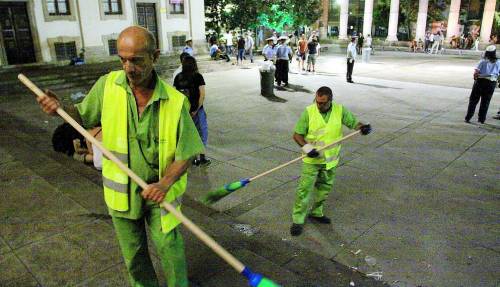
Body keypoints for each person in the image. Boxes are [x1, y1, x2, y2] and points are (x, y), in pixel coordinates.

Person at [35, 26, 204, 287]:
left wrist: (165, 183)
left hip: (160, 193)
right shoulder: (108, 86)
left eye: (136, 60)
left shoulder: (174, 101)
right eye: (122, 59)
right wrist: (60, 109)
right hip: (121, 193)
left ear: (155, 56)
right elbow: (80, 115)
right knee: (134, 255)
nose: (128, 68)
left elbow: (187, 151)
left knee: (170, 248)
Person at [290, 86, 372, 236]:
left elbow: (354, 123)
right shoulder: (309, 111)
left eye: (323, 103)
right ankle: (298, 219)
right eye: (317, 101)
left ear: (330, 101)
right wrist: (307, 148)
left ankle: (317, 212)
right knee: (304, 190)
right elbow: (297, 135)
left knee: (324, 189)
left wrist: (363, 127)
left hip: (330, 161)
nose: (319, 105)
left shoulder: (340, 110)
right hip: (312, 160)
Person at [173, 55, 210, 166]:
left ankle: (192, 159)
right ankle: (202, 158)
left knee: (188, 134)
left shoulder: (178, 77)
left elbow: (175, 95)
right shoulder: (198, 77)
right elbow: (202, 95)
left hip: (184, 112)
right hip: (197, 111)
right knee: (201, 133)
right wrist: (196, 109)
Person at [465, 45, 500, 124]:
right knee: (486, 101)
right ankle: (481, 119)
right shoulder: (498, 62)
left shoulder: (483, 61)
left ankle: (468, 117)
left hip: (480, 81)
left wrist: (475, 79)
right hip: (491, 83)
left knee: (473, 100)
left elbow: (476, 73)